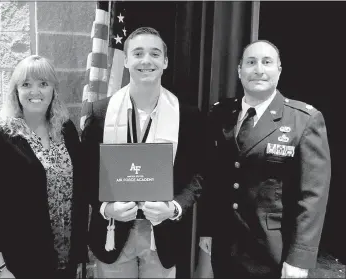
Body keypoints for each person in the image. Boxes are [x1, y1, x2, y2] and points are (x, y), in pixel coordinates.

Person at [198, 40, 331, 278]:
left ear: (279, 71)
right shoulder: (221, 114)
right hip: (226, 247)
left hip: (274, 253)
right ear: (240, 70)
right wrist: (207, 230)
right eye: (251, 62)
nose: (258, 69)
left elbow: (313, 196)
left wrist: (300, 257)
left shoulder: (304, 120)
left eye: (267, 62)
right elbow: (215, 179)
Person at [81, 27, 202, 278]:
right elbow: (86, 173)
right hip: (113, 230)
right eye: (138, 53)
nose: (146, 60)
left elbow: (199, 173)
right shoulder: (100, 113)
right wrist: (106, 209)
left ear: (165, 61)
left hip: (163, 233)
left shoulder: (187, 116)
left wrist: (175, 207)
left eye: (155, 54)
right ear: (125, 60)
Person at [0, 55, 88, 279]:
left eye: (43, 84)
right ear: (16, 91)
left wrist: (80, 253)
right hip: (20, 264)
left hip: (66, 261)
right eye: (26, 84)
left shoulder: (66, 130)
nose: (36, 91)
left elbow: (81, 191)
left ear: (53, 89)